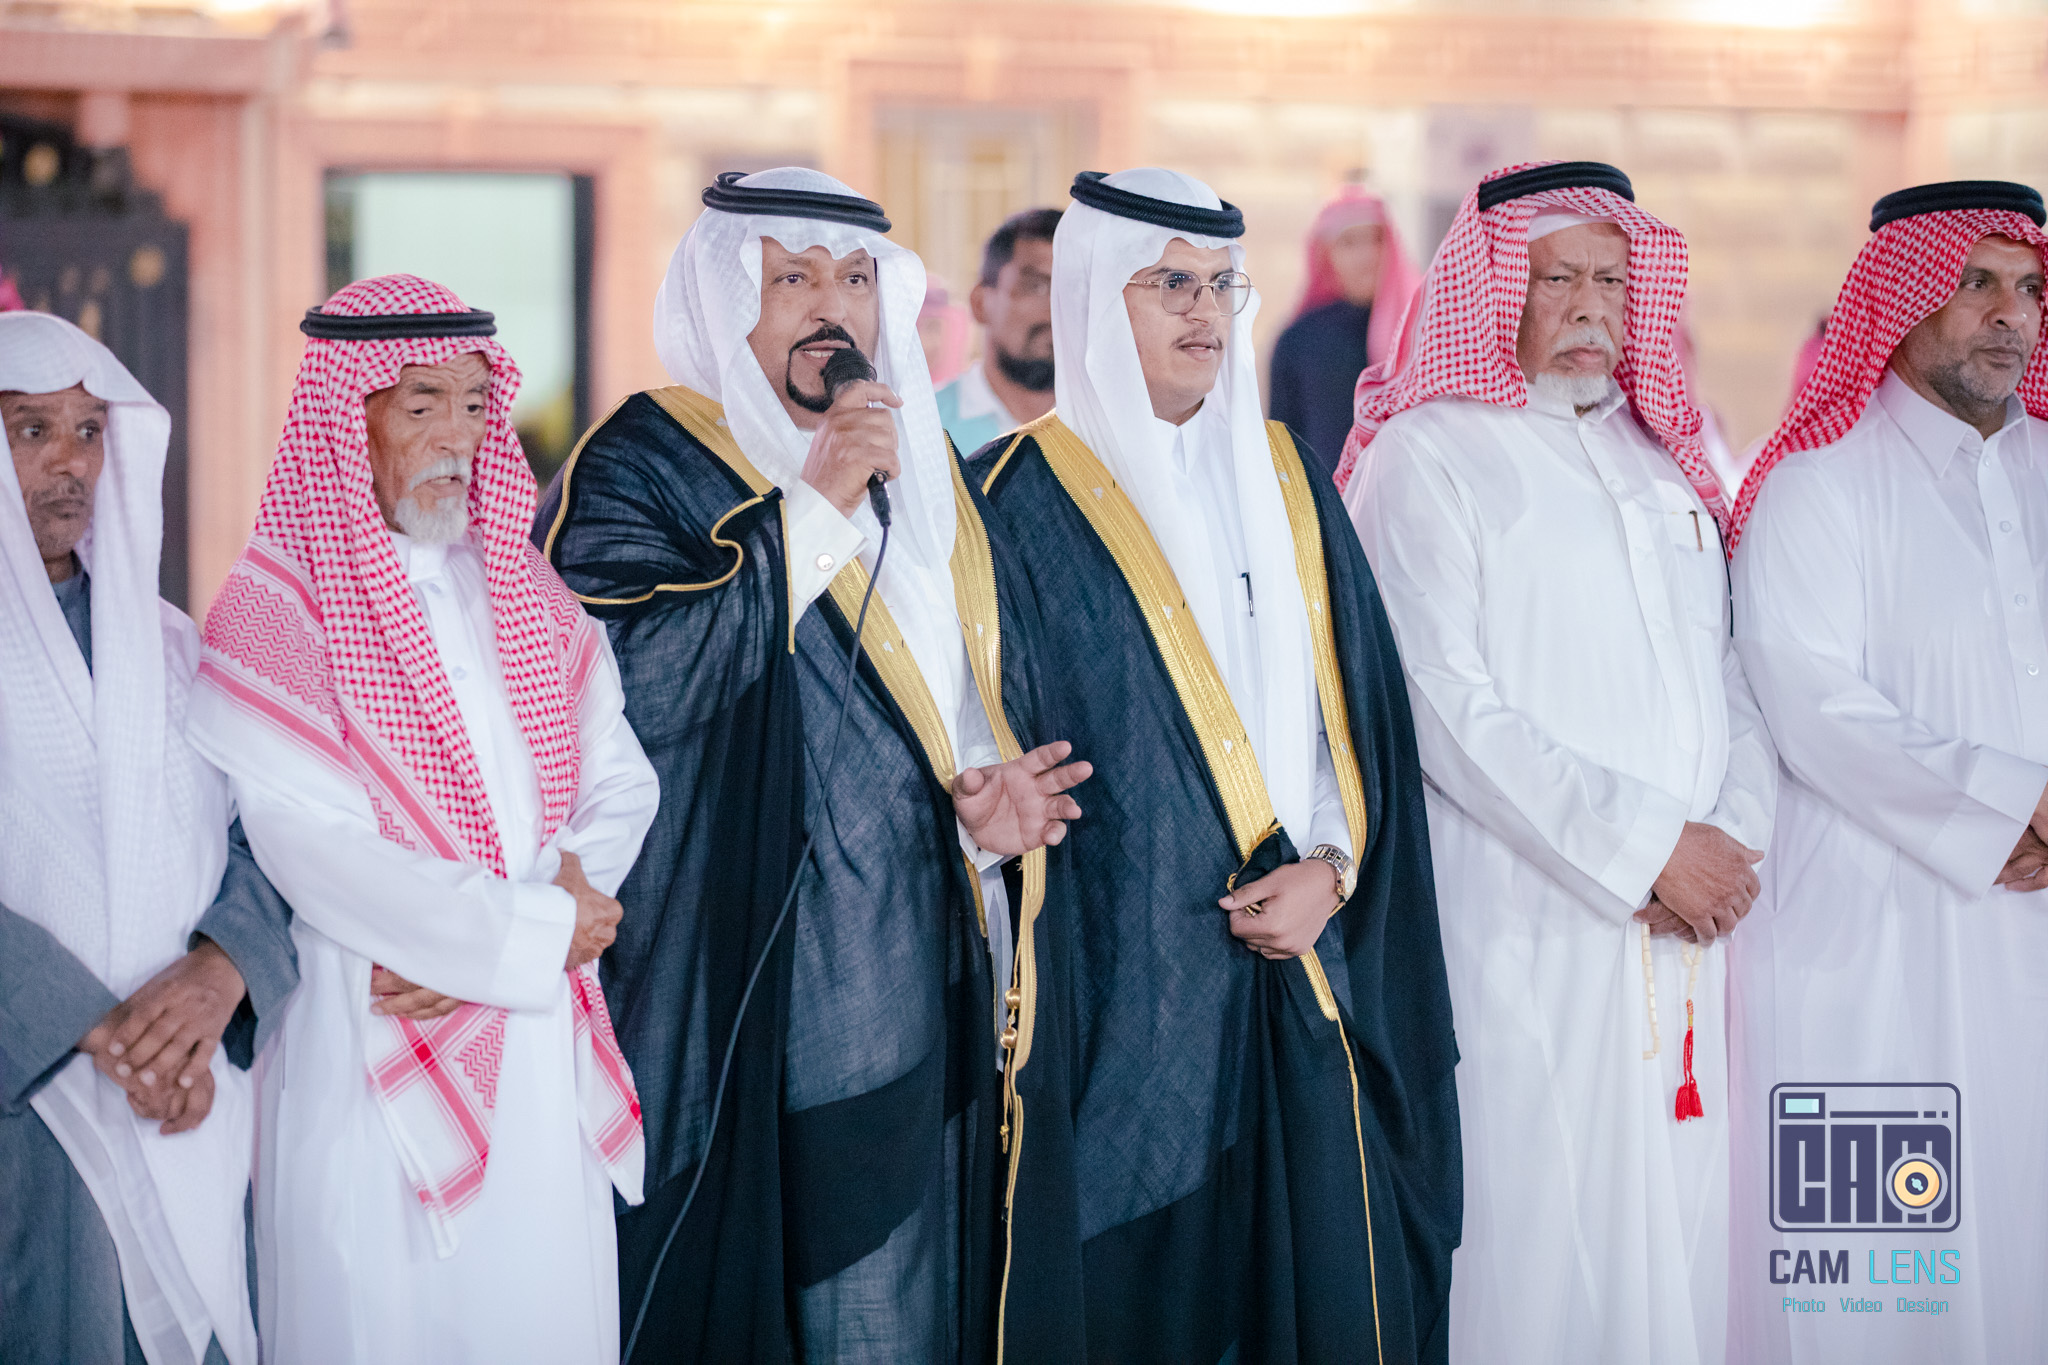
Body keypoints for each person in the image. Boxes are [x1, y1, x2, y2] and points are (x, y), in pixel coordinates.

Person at [539, 168, 1089, 1363]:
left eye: (851, 279)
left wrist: (983, 812)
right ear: (724, 299)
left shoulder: (920, 472)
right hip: (734, 986)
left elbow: (947, 707)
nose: (828, 307)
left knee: (908, 1304)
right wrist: (814, 503)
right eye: (790, 279)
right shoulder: (646, 462)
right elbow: (629, 684)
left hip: (916, 966)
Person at [968, 167, 1460, 1364]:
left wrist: (1332, 870)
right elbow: (976, 746)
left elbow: (1356, 721)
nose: (1203, 311)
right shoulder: (1004, 501)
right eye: (1169, 285)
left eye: (1220, 285)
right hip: (1118, 1003)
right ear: (1097, 299)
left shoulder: (1289, 479)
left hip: (1304, 967)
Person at [1342, 160, 1778, 1365]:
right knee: (1543, 1243)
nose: (1589, 307)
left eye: (1610, 280)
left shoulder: (1660, 459)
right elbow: (1438, 706)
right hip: (1528, 927)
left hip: (1686, 925)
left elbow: (1730, 671)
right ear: (1493, 289)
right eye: (1555, 279)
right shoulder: (1427, 456)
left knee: (1678, 1240)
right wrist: (1645, 850)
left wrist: (1727, 846)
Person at [188, 275, 658, 1365]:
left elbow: (621, 782)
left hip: (535, 1038)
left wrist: (548, 916)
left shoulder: (528, 592)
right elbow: (312, 847)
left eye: (475, 405)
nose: (458, 435)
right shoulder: (275, 609)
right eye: (421, 404)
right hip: (368, 1033)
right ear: (344, 419)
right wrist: (521, 934)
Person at [1726, 180, 2048, 1365]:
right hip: (1874, 946)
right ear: (1900, 296)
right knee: (1879, 1278)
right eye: (1974, 283)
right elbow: (1811, 701)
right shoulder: (1819, 480)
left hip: (2025, 939)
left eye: (2028, 289)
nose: (2008, 315)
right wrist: (2014, 801)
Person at [1, 311, 296, 1365]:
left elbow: (268, 834)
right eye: (33, 430)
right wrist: (109, 1035)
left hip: (190, 1100)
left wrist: (218, 977)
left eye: (89, 432)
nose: (69, 463)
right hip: (33, 1121)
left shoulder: (176, 647)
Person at [1268, 186, 1420, 482]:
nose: (1367, 255)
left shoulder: (1421, 331)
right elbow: (1281, 448)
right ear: (1326, 253)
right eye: (1349, 243)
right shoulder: (1298, 341)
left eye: (1376, 239)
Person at [933, 207, 1061, 454]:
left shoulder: (1110, 427)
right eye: (1037, 287)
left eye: (1074, 288)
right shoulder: (921, 426)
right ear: (979, 303)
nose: (1057, 307)